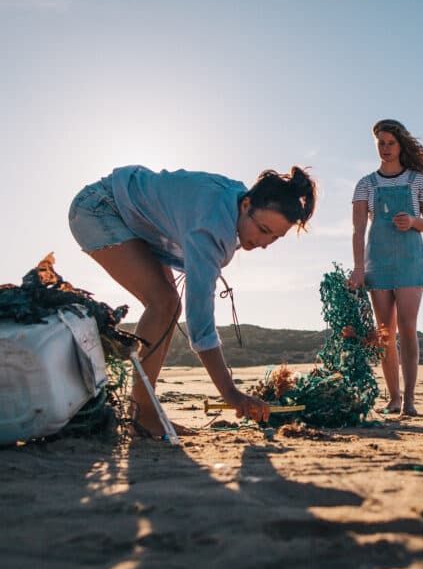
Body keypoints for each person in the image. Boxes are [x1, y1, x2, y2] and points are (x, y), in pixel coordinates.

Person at [69, 164, 316, 438]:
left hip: (135, 217)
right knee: (163, 303)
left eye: (275, 237)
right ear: (246, 205)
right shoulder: (211, 230)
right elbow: (200, 323)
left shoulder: (236, 199)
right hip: (99, 207)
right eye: (263, 229)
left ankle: (144, 411)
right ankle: (144, 416)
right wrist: (230, 392)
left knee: (168, 304)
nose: (265, 242)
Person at [349, 119, 423, 416]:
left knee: (408, 328)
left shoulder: (418, 181)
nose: (385, 149)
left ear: (400, 145)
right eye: (381, 143)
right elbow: (358, 230)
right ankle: (394, 398)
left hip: (411, 261)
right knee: (385, 332)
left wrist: (413, 222)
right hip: (378, 262)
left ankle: (410, 400)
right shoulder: (366, 184)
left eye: (390, 143)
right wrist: (359, 268)